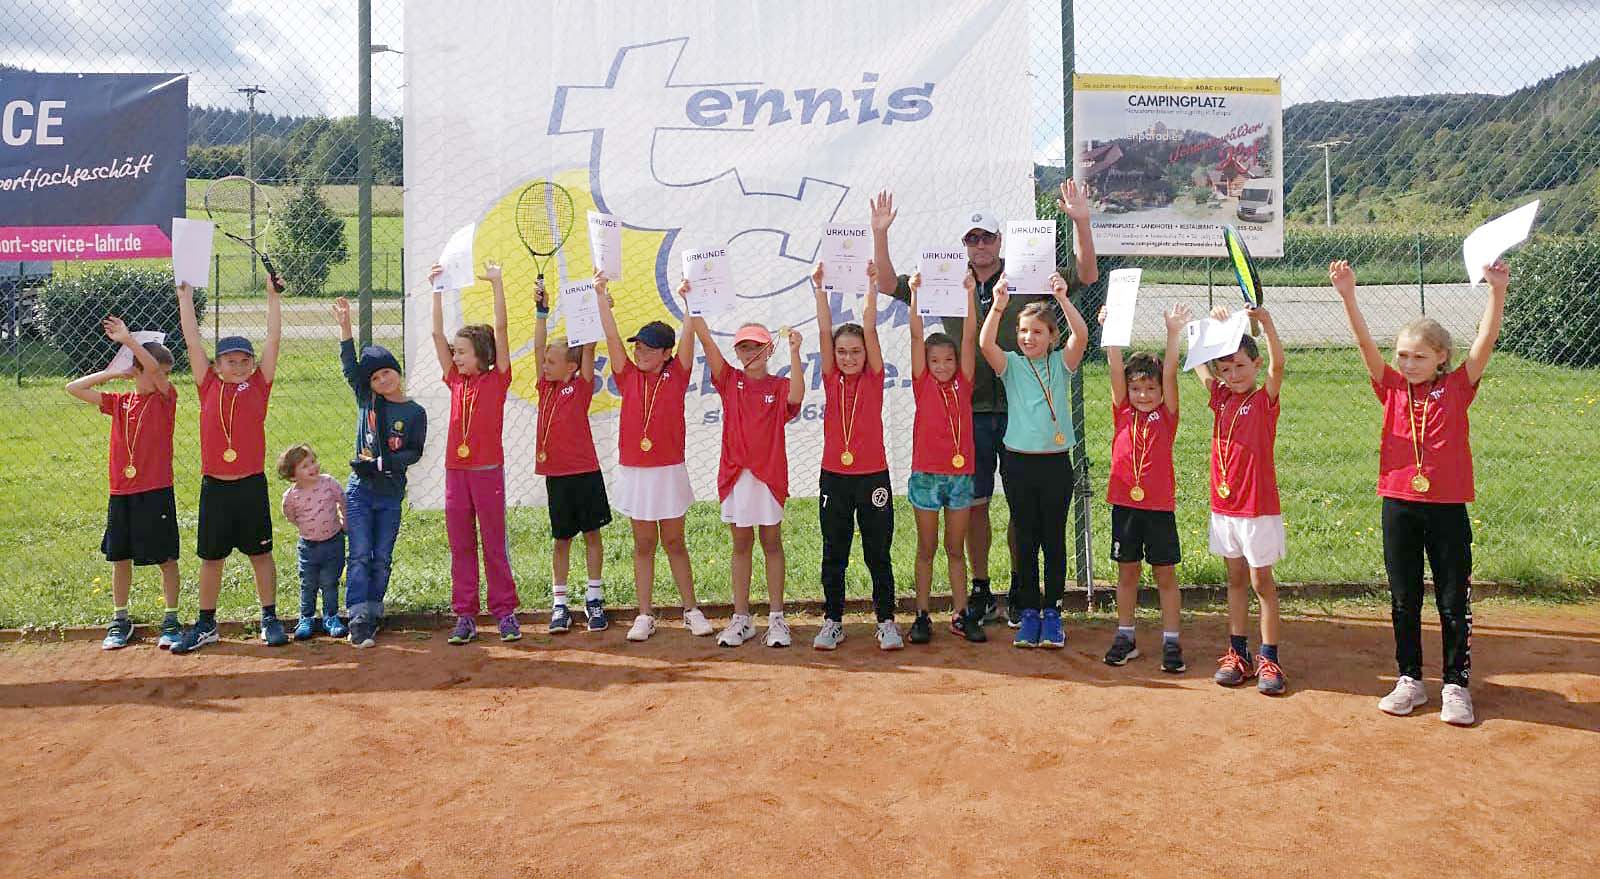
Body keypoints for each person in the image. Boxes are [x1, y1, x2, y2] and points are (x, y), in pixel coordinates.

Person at [874, 183, 1099, 628]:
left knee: (1020, 508)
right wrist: (880, 233)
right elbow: (885, 283)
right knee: (975, 504)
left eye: (987, 237)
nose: (980, 245)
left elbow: (1086, 273)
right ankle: (980, 587)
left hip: (1019, 412)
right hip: (968, 414)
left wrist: (1081, 222)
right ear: (964, 244)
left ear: (1000, 241)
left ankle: (1020, 586)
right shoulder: (946, 276)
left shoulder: (1026, 273)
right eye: (972, 238)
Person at [1333, 258, 1507, 726]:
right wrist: (1348, 295)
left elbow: (1485, 340)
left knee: (1452, 600)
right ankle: (1409, 678)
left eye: (1419, 357)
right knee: (1404, 597)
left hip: (1447, 507)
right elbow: (1365, 344)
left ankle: (1455, 685)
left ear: (1441, 358)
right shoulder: (1390, 387)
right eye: (1403, 356)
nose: (1408, 364)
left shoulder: (1458, 386)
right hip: (1399, 504)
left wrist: (1496, 290)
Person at [684, 279, 805, 648]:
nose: (750, 352)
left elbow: (797, 395)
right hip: (737, 476)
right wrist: (691, 302)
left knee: (772, 542)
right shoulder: (729, 380)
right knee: (740, 545)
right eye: (743, 347)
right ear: (737, 352)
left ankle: (777, 618)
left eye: (756, 346)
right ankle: (741, 619)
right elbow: (706, 342)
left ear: (769, 350)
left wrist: (796, 353)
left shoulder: (780, 385)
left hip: (769, 477)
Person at [596, 274, 715, 639]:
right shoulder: (627, 376)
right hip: (636, 471)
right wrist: (602, 298)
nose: (640, 353)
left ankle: (691, 610)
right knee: (644, 544)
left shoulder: (677, 374)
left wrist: (689, 302)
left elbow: (688, 336)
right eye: (638, 348)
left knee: (674, 542)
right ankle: (645, 615)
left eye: (649, 349)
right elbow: (612, 338)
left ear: (666, 353)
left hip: (668, 470)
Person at [170, 275, 285, 653]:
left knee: (261, 554)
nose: (238, 366)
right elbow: (192, 341)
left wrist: (272, 297)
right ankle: (206, 624)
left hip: (250, 484)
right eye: (230, 361)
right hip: (215, 487)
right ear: (217, 365)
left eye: (244, 360)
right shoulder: (208, 385)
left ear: (253, 364)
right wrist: (185, 298)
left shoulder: (260, 384)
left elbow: (273, 341)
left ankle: (269, 617)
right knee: (211, 558)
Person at [977, 271, 1088, 649]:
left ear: (1052, 337)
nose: (1029, 337)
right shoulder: (1011, 364)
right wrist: (998, 306)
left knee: (1053, 539)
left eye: (1038, 332)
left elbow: (1081, 336)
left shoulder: (1061, 363)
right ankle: (1028, 613)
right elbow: (985, 343)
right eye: (1024, 331)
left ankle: (1053, 613)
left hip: (1055, 464)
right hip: (1018, 464)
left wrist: (1063, 298)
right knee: (1024, 540)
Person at [65, 317, 181, 650]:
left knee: (165, 558)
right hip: (122, 491)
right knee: (120, 559)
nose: (161, 377)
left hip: (155, 490)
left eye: (164, 373)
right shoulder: (120, 403)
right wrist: (115, 373)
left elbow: (154, 370)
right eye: (154, 372)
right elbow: (74, 388)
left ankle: (170, 619)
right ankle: (120, 619)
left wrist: (130, 342)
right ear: (135, 371)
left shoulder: (165, 399)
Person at [1194, 304, 1288, 695]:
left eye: (1240, 366)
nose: (1233, 375)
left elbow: (1279, 366)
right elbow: (1199, 364)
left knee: (1260, 582)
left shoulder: (1264, 398)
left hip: (1257, 509)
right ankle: (1238, 653)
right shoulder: (1220, 397)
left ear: (1255, 364)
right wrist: (1210, 330)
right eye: (1226, 369)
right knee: (1234, 579)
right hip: (1225, 508)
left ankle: (1270, 658)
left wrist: (1265, 323)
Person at [808, 260, 899, 650]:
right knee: (835, 551)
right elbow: (823, 330)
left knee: (878, 551)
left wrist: (872, 287)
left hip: (873, 475)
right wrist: (819, 289)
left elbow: (870, 326)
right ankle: (833, 620)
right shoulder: (831, 377)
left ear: (866, 354)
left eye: (855, 352)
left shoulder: (874, 378)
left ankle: (887, 621)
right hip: (835, 476)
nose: (848, 358)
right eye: (842, 352)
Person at [431, 261, 520, 644]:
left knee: (494, 544)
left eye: (462, 352)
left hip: (487, 472)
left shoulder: (498, 378)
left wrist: (497, 283)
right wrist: (437, 291)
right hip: (456, 473)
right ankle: (465, 615)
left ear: (482, 354)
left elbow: (501, 329)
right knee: (461, 545)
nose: (455, 357)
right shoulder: (454, 380)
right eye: (454, 352)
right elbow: (436, 334)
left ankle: (505, 613)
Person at [1099, 303, 1189, 673]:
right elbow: (1114, 370)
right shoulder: (1122, 410)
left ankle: (1171, 640)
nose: (1142, 395)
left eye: (1150, 389)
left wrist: (1173, 334)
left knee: (1164, 574)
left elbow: (1170, 372)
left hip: (1158, 508)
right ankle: (1126, 636)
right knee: (1127, 572)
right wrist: (1110, 334)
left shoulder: (1167, 416)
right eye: (1136, 388)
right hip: (1125, 505)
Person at [333, 296, 427, 648]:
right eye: (374, 377)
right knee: (359, 552)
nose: (382, 379)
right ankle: (358, 615)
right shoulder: (368, 401)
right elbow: (350, 368)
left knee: (382, 556)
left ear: (397, 372)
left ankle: (373, 610)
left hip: (390, 494)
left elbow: (414, 451)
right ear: (369, 385)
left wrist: (386, 463)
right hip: (360, 490)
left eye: (387, 371)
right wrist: (346, 328)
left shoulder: (415, 412)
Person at [902, 268, 985, 644]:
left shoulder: (964, 383)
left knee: (955, 549)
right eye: (934, 360)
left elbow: (968, 337)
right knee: (927, 548)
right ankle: (921, 614)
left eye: (948, 360)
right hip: (926, 476)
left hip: (960, 477)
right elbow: (915, 335)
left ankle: (961, 613)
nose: (942, 366)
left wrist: (969, 293)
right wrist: (915, 295)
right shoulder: (922, 383)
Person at [532, 278, 610, 635]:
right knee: (561, 539)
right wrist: (541, 312)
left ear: (571, 368)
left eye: (552, 362)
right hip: (557, 476)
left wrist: (595, 306)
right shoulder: (544, 387)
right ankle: (560, 603)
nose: (545, 365)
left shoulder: (581, 387)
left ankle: (594, 598)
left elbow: (589, 347)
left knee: (592, 534)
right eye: (545, 361)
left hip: (585, 472)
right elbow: (538, 347)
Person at [277, 443, 346, 641]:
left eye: (313, 462)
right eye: (305, 466)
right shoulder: (291, 497)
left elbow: (343, 501)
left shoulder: (329, 483)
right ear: (293, 475)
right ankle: (306, 618)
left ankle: (331, 618)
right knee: (308, 584)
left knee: (330, 582)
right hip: (308, 546)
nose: (313, 467)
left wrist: (345, 523)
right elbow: (291, 516)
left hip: (333, 542)